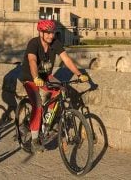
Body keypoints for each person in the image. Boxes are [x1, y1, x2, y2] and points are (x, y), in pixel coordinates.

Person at [20, 19, 89, 152]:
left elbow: (66, 59)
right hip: (30, 77)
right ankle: (34, 139)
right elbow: (32, 60)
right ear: (41, 32)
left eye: (52, 33)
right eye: (48, 33)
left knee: (61, 89)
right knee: (38, 104)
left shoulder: (55, 43)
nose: (51, 36)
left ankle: (47, 120)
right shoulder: (33, 43)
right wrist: (35, 77)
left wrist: (79, 74)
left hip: (46, 76)